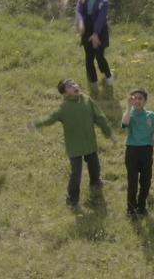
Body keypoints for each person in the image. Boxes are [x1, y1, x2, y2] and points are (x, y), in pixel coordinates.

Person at [30, 78, 115, 210]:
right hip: (74, 147)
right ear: (65, 92)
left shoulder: (87, 100)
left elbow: (100, 117)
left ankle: (95, 182)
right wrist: (36, 124)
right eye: (69, 86)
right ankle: (72, 199)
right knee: (76, 173)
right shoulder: (64, 109)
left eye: (74, 83)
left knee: (94, 165)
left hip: (90, 143)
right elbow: (50, 119)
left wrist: (109, 133)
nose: (74, 85)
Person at [120, 88, 154, 219]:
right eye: (134, 98)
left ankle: (142, 207)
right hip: (132, 151)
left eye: (140, 98)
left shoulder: (150, 115)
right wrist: (128, 108)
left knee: (146, 181)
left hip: (146, 151)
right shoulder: (130, 114)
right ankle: (131, 209)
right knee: (133, 181)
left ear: (145, 101)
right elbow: (124, 123)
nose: (137, 101)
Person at [75, 0, 114, 86]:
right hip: (87, 30)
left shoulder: (104, 2)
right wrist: (81, 23)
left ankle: (108, 75)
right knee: (89, 58)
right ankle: (92, 81)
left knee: (99, 56)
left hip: (100, 30)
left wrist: (96, 33)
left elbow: (101, 19)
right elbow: (79, 11)